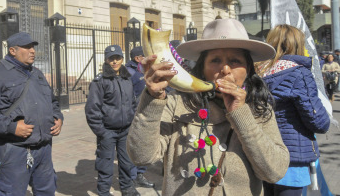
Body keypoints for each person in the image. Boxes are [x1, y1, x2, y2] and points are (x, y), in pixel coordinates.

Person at [127, 19, 290, 195]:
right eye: (215, 60)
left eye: (235, 61)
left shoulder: (259, 109)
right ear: (202, 69)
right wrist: (152, 99)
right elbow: (141, 156)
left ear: (248, 68)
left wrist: (241, 115)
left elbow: (274, 172)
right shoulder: (176, 104)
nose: (226, 69)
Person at [0, 32, 64, 195]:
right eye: (27, 47)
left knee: (46, 191)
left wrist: (58, 118)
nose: (32, 51)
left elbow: (53, 102)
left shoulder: (37, 73)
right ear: (13, 50)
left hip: (43, 147)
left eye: (32, 47)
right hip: (13, 148)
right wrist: (12, 127)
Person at [258, 24, 330, 196]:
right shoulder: (299, 74)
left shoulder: (257, 73)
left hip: (262, 154)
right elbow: (319, 122)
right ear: (297, 45)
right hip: (292, 157)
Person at [85, 45, 140, 196]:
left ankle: (127, 187)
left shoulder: (126, 78)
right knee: (105, 164)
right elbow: (92, 109)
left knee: (126, 162)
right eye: (111, 58)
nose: (115, 62)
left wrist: (132, 122)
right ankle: (103, 191)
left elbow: (133, 103)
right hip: (107, 131)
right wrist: (101, 131)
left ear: (122, 59)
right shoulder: (100, 81)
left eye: (118, 58)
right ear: (106, 60)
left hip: (125, 130)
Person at [125, 46, 155, 188]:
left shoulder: (143, 70)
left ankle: (140, 174)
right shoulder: (128, 72)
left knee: (145, 145)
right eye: (145, 56)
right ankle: (131, 178)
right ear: (138, 58)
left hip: (145, 113)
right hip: (133, 115)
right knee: (133, 146)